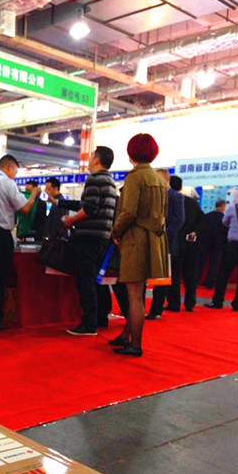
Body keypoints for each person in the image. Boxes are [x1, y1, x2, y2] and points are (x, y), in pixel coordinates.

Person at [110, 133, 169, 357]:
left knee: (134, 295)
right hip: (154, 239)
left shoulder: (134, 177)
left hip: (135, 239)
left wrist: (115, 231)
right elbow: (164, 213)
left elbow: (128, 212)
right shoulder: (159, 179)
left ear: (131, 153)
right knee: (140, 292)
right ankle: (126, 335)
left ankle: (135, 344)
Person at [58, 146, 118, 336]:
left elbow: (89, 209)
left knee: (86, 280)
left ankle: (89, 323)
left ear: (97, 160)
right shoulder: (110, 182)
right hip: (102, 237)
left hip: (88, 236)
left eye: (92, 156)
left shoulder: (94, 179)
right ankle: (99, 318)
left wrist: (71, 220)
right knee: (95, 279)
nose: (89, 159)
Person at [0, 155, 41, 329]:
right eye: (15, 170)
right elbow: (25, 208)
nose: (15, 174)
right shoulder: (7, 183)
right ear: (9, 167)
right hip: (1, 235)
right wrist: (34, 195)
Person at [146, 168, 185, 319]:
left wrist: (163, 234)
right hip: (151, 240)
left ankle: (156, 310)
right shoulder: (152, 196)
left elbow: (179, 220)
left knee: (162, 277)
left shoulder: (175, 197)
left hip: (166, 242)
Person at [165, 175, 205, 312]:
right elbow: (202, 220)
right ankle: (190, 303)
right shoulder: (192, 202)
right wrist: (195, 231)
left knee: (174, 275)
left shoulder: (169, 200)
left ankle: (174, 303)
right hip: (191, 243)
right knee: (190, 275)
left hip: (175, 242)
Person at [205, 189, 238, 312]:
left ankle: (217, 301)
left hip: (233, 245)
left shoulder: (233, 207)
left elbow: (224, 222)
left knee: (223, 274)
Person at [197, 199, 228, 289]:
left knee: (200, 261)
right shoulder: (224, 218)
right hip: (218, 244)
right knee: (214, 264)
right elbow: (225, 232)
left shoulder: (207, 216)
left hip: (205, 242)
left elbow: (201, 229)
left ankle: (195, 280)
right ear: (222, 206)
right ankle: (210, 283)